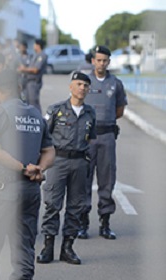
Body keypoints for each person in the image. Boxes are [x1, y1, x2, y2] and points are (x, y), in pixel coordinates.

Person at [0, 70, 55, 280]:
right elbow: (49, 151)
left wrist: (22, 168)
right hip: (30, 189)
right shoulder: (37, 115)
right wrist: (39, 169)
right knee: (24, 248)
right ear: (19, 89)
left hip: (3, 190)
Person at [37, 72, 96, 265]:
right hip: (58, 160)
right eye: (79, 84)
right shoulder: (56, 110)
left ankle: (68, 248)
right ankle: (48, 247)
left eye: (86, 85)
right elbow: (44, 136)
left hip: (79, 162)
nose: (82, 88)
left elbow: (91, 139)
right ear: (70, 86)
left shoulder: (90, 113)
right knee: (53, 204)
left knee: (75, 207)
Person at [78, 45, 128, 240]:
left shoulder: (115, 83)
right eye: (98, 60)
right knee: (84, 180)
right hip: (87, 137)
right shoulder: (84, 81)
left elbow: (120, 110)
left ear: (108, 62)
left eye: (105, 60)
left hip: (107, 136)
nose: (101, 63)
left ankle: (105, 223)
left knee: (107, 179)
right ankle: (83, 223)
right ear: (93, 61)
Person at [18, 39, 47, 113]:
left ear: (38, 45)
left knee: (33, 103)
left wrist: (24, 69)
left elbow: (36, 69)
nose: (34, 46)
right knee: (27, 102)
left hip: (34, 82)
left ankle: (39, 119)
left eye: (35, 44)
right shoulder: (35, 55)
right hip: (28, 82)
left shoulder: (42, 55)